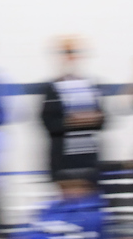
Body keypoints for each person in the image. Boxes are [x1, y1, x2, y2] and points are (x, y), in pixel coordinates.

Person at [39, 35, 106, 179]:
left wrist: (95, 119)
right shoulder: (53, 87)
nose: (71, 58)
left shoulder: (91, 85)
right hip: (63, 161)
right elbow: (47, 122)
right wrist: (70, 122)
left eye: (74, 53)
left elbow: (105, 120)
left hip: (88, 159)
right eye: (67, 53)